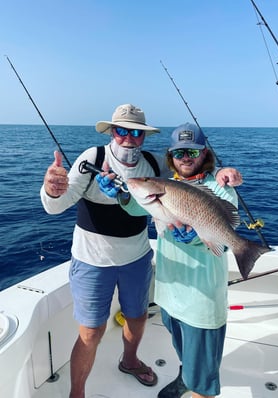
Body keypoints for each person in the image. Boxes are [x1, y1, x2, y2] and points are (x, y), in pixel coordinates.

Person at [40, 104, 168, 398]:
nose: (129, 138)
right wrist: (52, 189)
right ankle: (77, 392)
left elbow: (189, 174)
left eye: (136, 132)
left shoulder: (154, 163)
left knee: (137, 316)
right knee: (91, 331)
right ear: (112, 132)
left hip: (136, 258)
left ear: (144, 137)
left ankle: (130, 361)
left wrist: (220, 171)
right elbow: (56, 206)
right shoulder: (92, 158)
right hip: (92, 261)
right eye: (122, 131)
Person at [106, 122, 241, 398]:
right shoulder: (169, 184)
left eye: (193, 151)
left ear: (205, 153)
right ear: (171, 156)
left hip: (201, 303)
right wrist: (122, 193)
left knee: (203, 382)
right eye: (179, 153)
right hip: (169, 295)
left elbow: (223, 242)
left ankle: (195, 385)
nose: (186, 158)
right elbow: (140, 204)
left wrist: (192, 238)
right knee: (183, 354)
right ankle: (185, 378)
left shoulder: (221, 188)